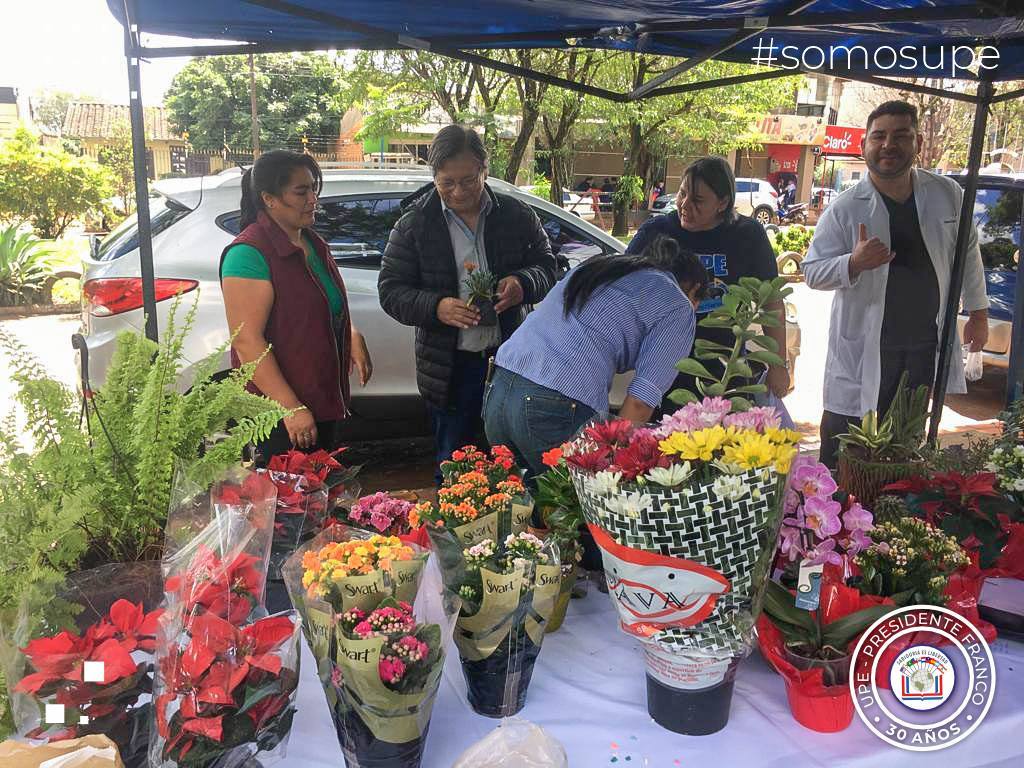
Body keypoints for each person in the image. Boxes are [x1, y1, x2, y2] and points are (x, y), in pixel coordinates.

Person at [804, 100, 989, 469]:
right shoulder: (845, 207)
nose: (889, 145)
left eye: (901, 136)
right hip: (865, 347)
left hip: (923, 347)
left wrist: (979, 312)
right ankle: (836, 518)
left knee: (905, 442)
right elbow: (812, 272)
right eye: (879, 136)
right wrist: (853, 263)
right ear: (864, 146)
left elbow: (967, 253)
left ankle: (893, 517)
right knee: (844, 446)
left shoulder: (947, 194)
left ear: (918, 142)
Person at [378, 125, 557, 480]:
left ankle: (512, 532)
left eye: (468, 180)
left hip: (509, 360)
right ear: (434, 177)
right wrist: (436, 307)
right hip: (450, 367)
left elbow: (550, 266)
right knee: (454, 464)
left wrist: (523, 283)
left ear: (484, 170)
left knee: (509, 461)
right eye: (447, 183)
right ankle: (455, 530)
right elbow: (391, 290)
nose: (458, 192)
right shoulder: (414, 224)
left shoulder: (516, 215)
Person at [484, 236, 707, 479]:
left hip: (499, 387)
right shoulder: (677, 304)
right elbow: (641, 402)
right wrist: (617, 468)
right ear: (694, 289)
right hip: (553, 402)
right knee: (579, 506)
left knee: (518, 506)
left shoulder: (602, 267)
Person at [219, 150, 373, 461]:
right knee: (287, 505)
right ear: (269, 199)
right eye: (301, 192)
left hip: (321, 397)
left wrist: (351, 333)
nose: (313, 199)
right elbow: (248, 343)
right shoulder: (248, 254)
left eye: (314, 188)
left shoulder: (312, 243)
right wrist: (290, 407)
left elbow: (321, 304)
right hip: (278, 413)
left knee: (320, 498)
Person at [626, 156, 789, 410]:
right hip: (665, 367)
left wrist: (779, 364)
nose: (685, 205)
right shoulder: (657, 231)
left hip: (726, 369)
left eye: (698, 201)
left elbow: (772, 302)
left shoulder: (748, 236)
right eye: (682, 194)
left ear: (723, 203)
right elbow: (624, 289)